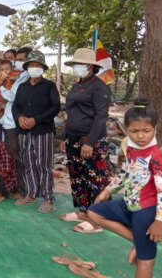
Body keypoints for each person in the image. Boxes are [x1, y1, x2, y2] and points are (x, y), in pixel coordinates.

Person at [88, 100, 162, 278]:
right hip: (129, 204)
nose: (141, 136)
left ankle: (141, 243)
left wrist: (160, 221)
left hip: (146, 212)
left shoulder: (155, 156)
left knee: (145, 261)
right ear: (127, 131)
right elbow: (125, 173)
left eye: (146, 131)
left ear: (155, 130)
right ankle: (138, 239)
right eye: (135, 131)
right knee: (94, 212)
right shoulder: (132, 149)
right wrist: (107, 191)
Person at [60, 48, 113, 234]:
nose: (76, 68)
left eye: (79, 65)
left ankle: (98, 219)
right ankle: (83, 212)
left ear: (90, 66)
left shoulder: (99, 87)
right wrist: (65, 137)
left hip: (91, 139)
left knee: (95, 178)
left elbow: (101, 117)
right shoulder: (77, 85)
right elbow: (72, 113)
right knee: (78, 176)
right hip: (73, 137)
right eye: (75, 64)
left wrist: (90, 142)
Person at [12, 50, 60, 213]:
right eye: (31, 65)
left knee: (43, 164)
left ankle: (48, 198)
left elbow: (55, 107)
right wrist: (19, 118)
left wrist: (36, 120)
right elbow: (15, 106)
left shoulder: (49, 86)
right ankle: (31, 194)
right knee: (28, 162)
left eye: (37, 65)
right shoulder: (22, 87)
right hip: (25, 132)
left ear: (43, 68)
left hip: (42, 131)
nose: (34, 68)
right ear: (27, 68)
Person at [0, 46, 32, 197]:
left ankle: (21, 189)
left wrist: (0, 88)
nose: (17, 63)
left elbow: (12, 97)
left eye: (20, 60)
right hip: (9, 120)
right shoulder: (20, 77)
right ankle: (14, 186)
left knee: (15, 156)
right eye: (16, 60)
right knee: (12, 154)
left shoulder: (26, 77)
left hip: (15, 122)